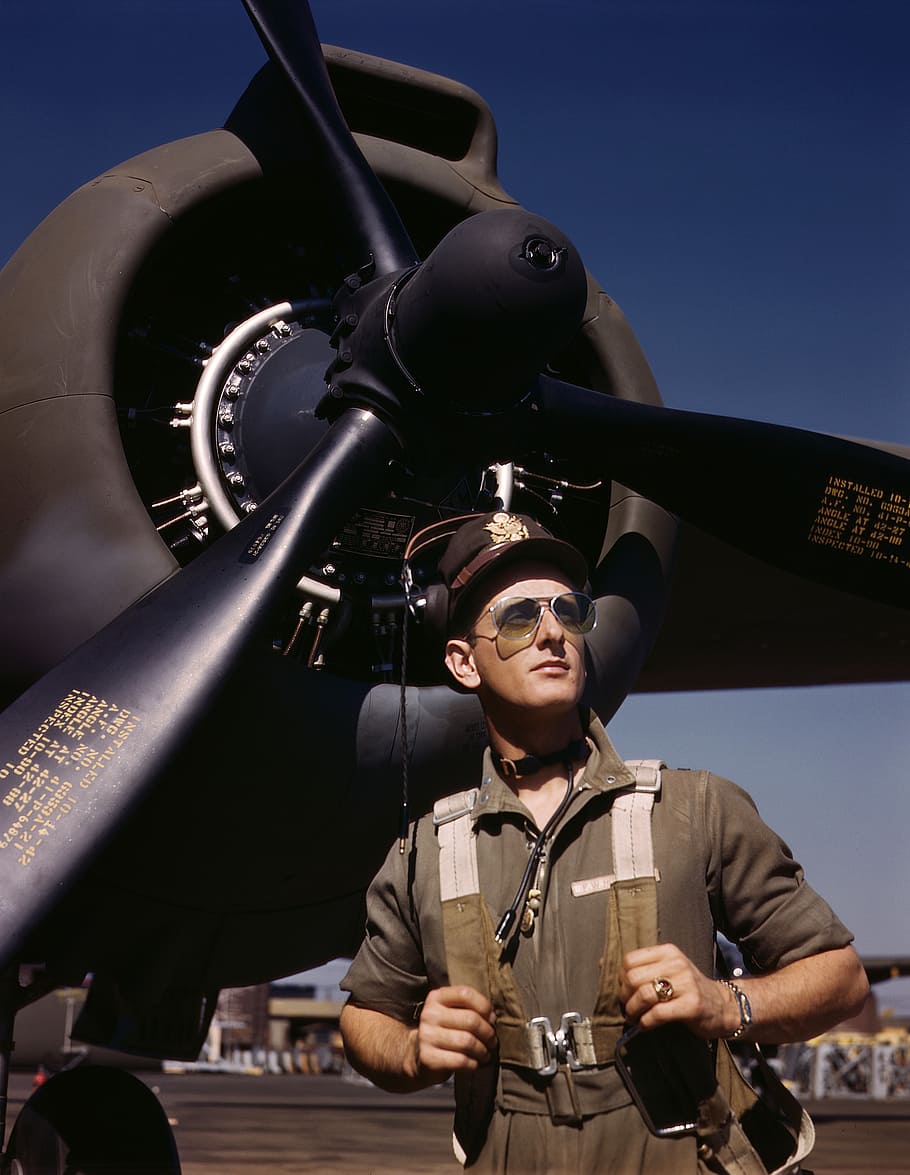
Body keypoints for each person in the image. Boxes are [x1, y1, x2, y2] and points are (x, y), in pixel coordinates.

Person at [339, 511, 869, 1174]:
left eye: (569, 609)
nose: (552, 631)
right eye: (516, 618)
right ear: (462, 662)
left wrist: (726, 1002)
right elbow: (365, 1018)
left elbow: (840, 976)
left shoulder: (695, 807)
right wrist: (413, 1049)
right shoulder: (425, 852)